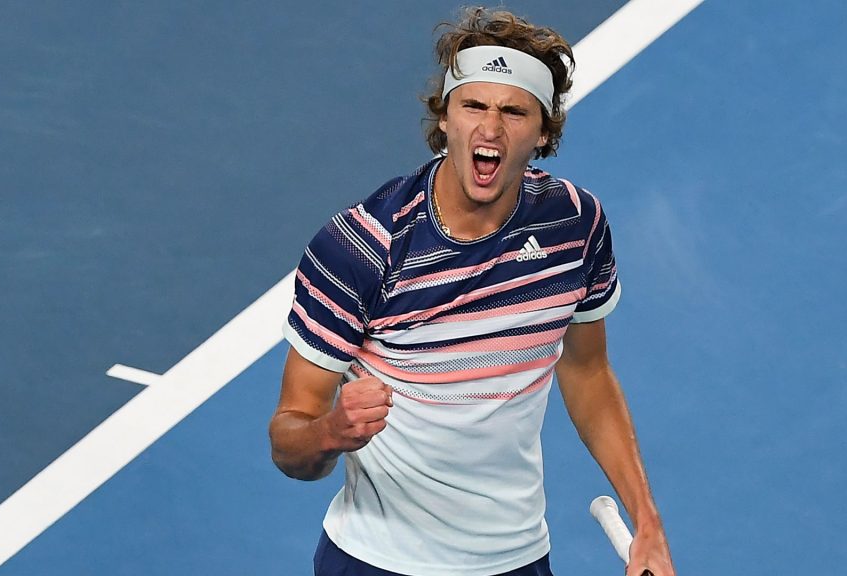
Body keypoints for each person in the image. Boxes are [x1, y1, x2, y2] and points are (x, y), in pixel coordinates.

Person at [269, 7, 675, 576]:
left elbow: (588, 374)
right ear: (445, 119)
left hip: (516, 560)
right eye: (474, 106)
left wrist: (648, 523)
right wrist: (331, 433)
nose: (490, 129)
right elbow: (288, 442)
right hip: (376, 562)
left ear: (542, 132)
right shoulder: (362, 248)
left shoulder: (574, 225)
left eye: (514, 111)